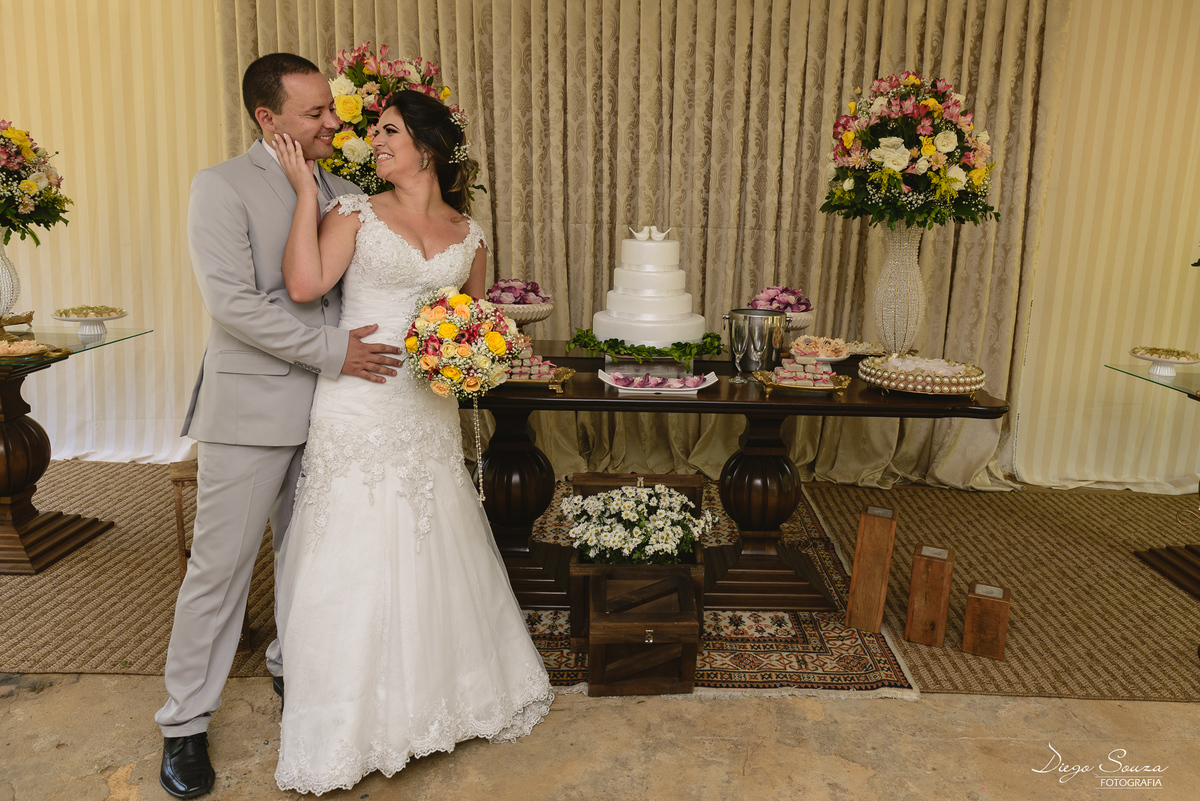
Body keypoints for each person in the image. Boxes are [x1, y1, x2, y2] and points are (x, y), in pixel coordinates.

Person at [270, 88, 553, 794]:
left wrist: (471, 359)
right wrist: (305, 191)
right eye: (378, 132)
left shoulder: (471, 233)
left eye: (390, 131)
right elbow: (305, 284)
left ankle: (434, 704)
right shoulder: (352, 212)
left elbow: (477, 321)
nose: (379, 143)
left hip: (426, 409)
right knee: (357, 549)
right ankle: (350, 721)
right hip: (358, 401)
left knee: (430, 543)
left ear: (426, 148)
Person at [157, 53, 403, 799]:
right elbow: (234, 304)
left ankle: (295, 674)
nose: (334, 122)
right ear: (268, 119)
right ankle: (183, 724)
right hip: (251, 409)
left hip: (337, 416)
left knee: (311, 560)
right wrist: (336, 351)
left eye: (331, 108)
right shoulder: (220, 187)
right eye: (315, 113)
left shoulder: (347, 189)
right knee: (220, 570)